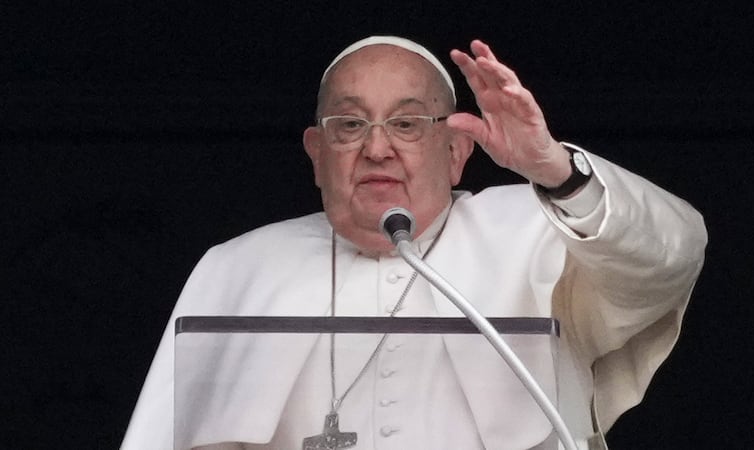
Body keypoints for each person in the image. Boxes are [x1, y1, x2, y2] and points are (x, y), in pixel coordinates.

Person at [121, 36, 707, 450]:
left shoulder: (539, 231)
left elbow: (672, 254)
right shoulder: (236, 268)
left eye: (406, 124)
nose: (377, 149)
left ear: (456, 153)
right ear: (316, 153)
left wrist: (556, 169)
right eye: (349, 125)